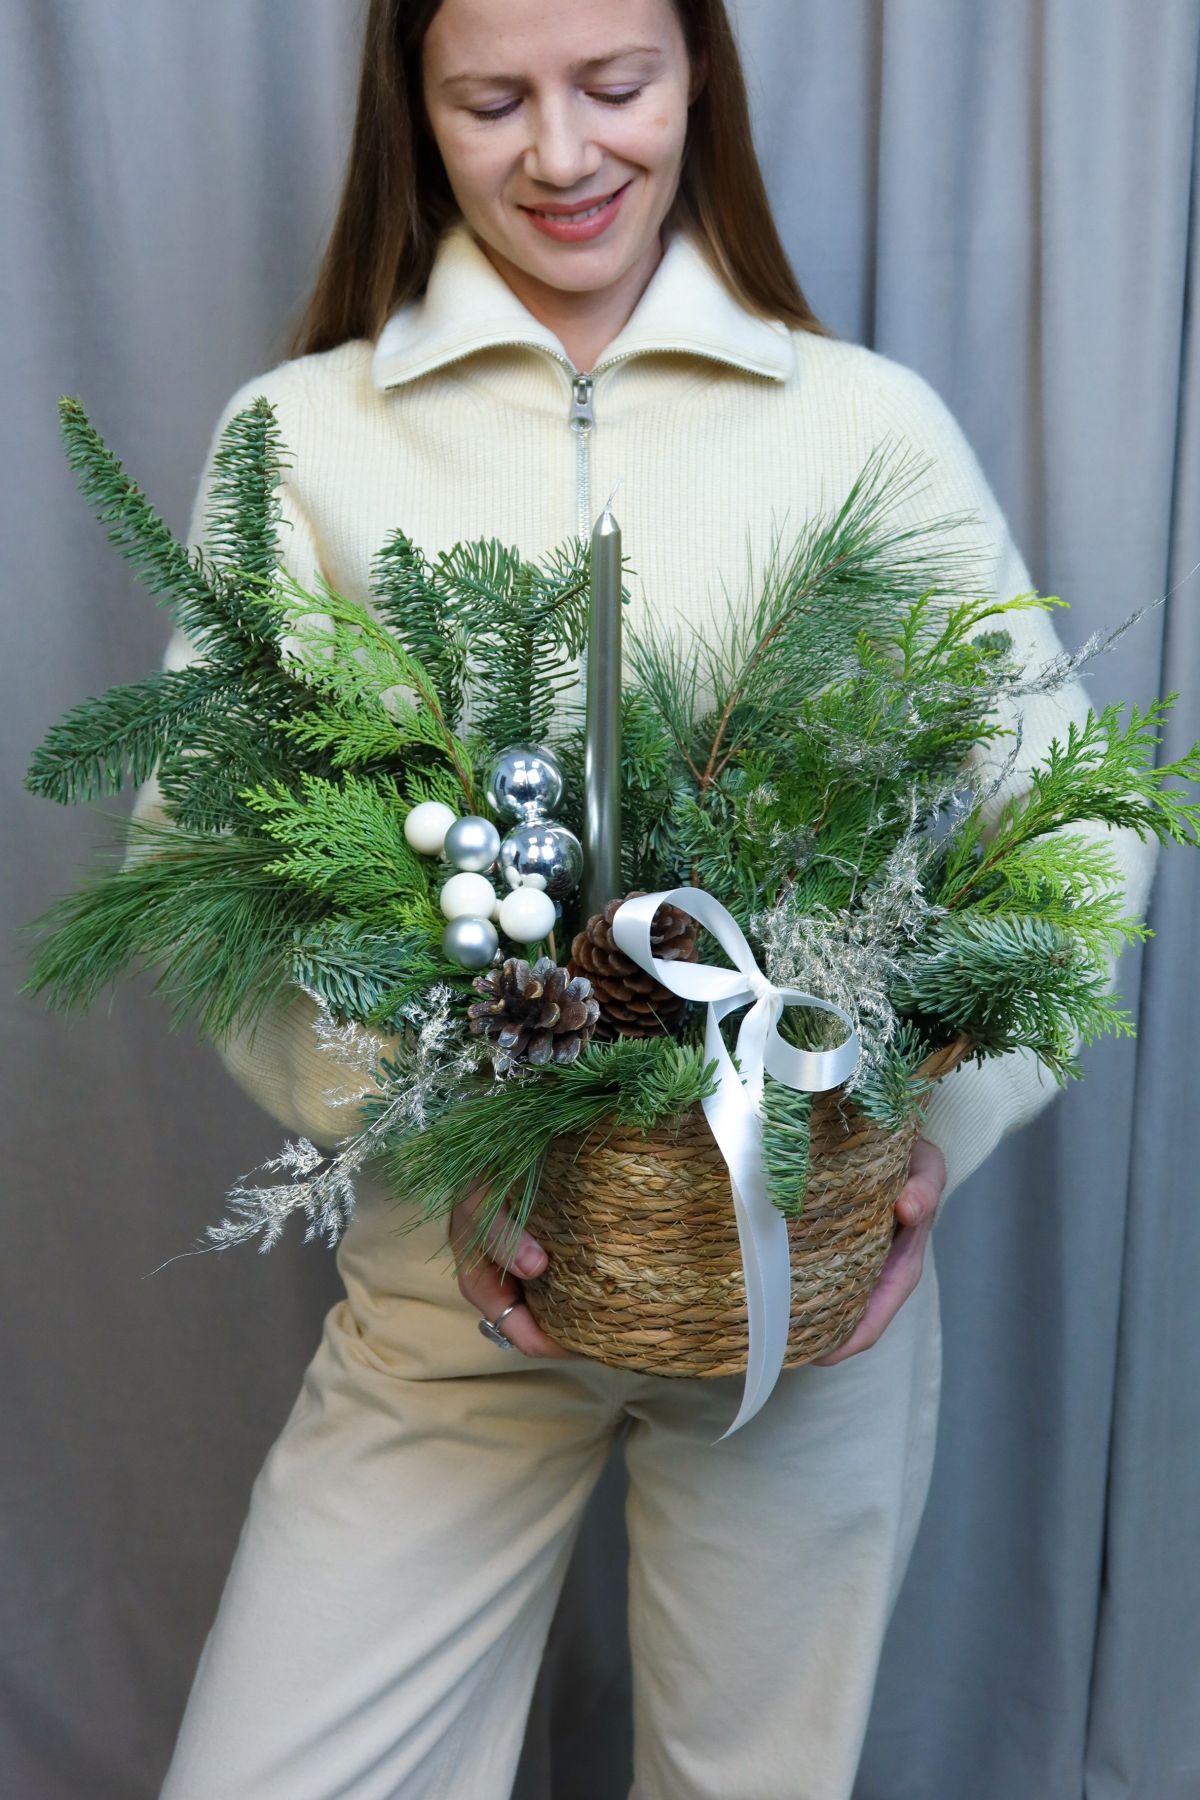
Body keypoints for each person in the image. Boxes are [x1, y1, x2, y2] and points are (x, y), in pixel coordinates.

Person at [143, 2, 1155, 1795]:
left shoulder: (864, 424)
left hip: (799, 1297)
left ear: (699, 76)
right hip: (457, 1286)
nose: (562, 154)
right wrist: (432, 1136)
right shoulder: (300, 437)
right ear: (411, 110)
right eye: (491, 100)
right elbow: (192, 859)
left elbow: (1072, 827)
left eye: (615, 85)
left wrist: (935, 1134)